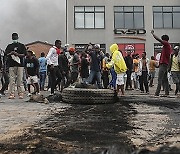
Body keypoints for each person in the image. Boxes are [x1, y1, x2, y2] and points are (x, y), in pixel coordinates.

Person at [4, 33, 26, 99]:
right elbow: (6, 54)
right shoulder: (9, 46)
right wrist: (11, 53)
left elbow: (24, 54)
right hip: (11, 65)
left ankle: (20, 93)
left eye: (15, 37)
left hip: (20, 65)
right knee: (12, 80)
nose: (14, 38)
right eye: (13, 37)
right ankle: (12, 93)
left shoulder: (21, 46)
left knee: (20, 80)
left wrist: (17, 54)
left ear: (17, 37)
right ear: (12, 38)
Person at [151, 30, 172, 97]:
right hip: (164, 64)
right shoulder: (167, 46)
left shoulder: (166, 44)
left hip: (163, 64)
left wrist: (153, 34)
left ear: (164, 40)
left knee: (160, 79)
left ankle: (157, 93)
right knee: (165, 79)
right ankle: (167, 92)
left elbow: (158, 39)